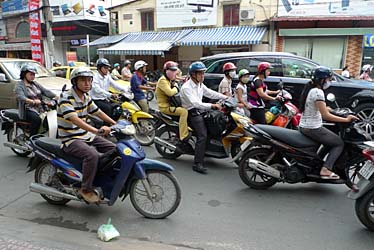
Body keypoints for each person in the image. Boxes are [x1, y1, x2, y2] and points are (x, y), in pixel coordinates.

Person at [58, 67, 117, 203]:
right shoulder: (66, 97)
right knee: (92, 155)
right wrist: (96, 131)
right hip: (70, 138)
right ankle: (85, 189)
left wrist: (115, 124)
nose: (87, 84)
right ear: (75, 82)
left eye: (89, 80)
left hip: (85, 135)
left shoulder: (86, 97)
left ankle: (100, 178)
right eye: (83, 80)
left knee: (114, 149)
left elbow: (97, 112)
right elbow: (75, 120)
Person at [299, 66, 357, 180]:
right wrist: (346, 119)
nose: (330, 82)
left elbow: (322, 108)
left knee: (330, 140)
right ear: (322, 80)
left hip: (305, 125)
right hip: (312, 127)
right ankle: (326, 169)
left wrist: (333, 110)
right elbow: (326, 115)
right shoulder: (318, 92)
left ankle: (318, 163)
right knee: (339, 143)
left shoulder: (311, 89)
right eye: (329, 79)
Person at [180, 61, 227, 174]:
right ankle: (198, 163)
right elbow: (196, 103)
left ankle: (206, 150)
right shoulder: (187, 87)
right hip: (191, 112)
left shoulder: (200, 84)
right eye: (200, 73)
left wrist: (225, 97)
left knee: (213, 125)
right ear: (193, 75)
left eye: (203, 73)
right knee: (202, 136)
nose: (202, 76)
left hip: (200, 110)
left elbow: (210, 93)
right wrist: (212, 105)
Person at [15, 65, 58, 136]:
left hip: (40, 108)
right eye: (31, 74)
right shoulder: (19, 85)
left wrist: (56, 96)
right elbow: (21, 97)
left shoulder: (35, 84)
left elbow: (46, 91)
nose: (33, 76)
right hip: (28, 109)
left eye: (34, 74)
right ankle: (32, 139)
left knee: (51, 118)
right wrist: (32, 101)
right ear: (24, 74)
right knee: (37, 120)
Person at [155, 61, 189, 150]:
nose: (174, 72)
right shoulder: (163, 80)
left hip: (170, 104)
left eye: (174, 70)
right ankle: (183, 136)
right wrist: (176, 87)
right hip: (165, 107)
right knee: (183, 112)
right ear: (166, 71)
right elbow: (170, 93)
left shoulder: (168, 79)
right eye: (172, 70)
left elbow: (177, 78)